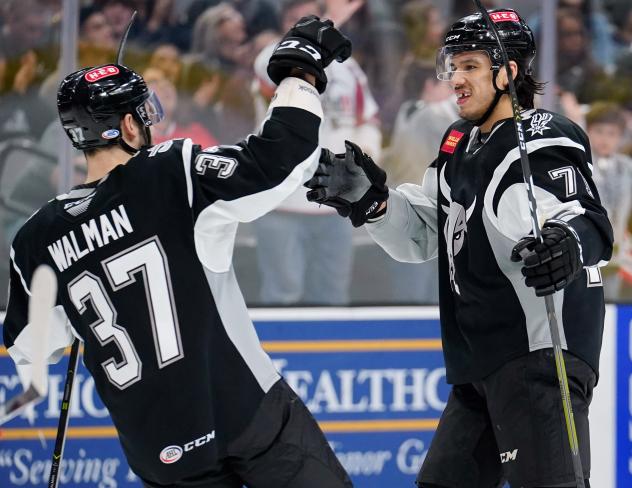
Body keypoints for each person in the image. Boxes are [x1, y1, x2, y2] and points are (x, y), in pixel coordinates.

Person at [3, 16, 354, 488]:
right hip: (246, 414)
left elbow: (32, 347)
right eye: (144, 113)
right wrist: (300, 75)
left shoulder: (36, 236)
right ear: (128, 123)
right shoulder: (170, 172)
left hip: (161, 451)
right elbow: (278, 159)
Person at [306, 8, 613, 487]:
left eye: (470, 65)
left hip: (539, 357)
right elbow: (429, 232)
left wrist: (567, 244)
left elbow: (586, 218)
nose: (456, 77)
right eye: (452, 65)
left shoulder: (542, 135)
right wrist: (374, 201)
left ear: (508, 72)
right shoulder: (459, 142)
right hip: (480, 363)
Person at [251, 0, 380, 305]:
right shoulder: (274, 57)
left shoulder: (348, 68)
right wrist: (329, 20)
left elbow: (368, 118)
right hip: (281, 202)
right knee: (283, 294)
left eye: (313, 19)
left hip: (336, 202)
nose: (311, 26)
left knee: (333, 295)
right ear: (284, 22)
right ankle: (281, 354)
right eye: (299, 21)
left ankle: (334, 354)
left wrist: (364, 159)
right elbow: (265, 71)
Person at [586, 102, 632, 301]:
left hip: (619, 254)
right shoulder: (581, 164)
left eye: (612, 133)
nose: (605, 139)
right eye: (599, 131)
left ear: (621, 136)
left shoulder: (627, 167)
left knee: (614, 304)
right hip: (588, 255)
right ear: (588, 131)